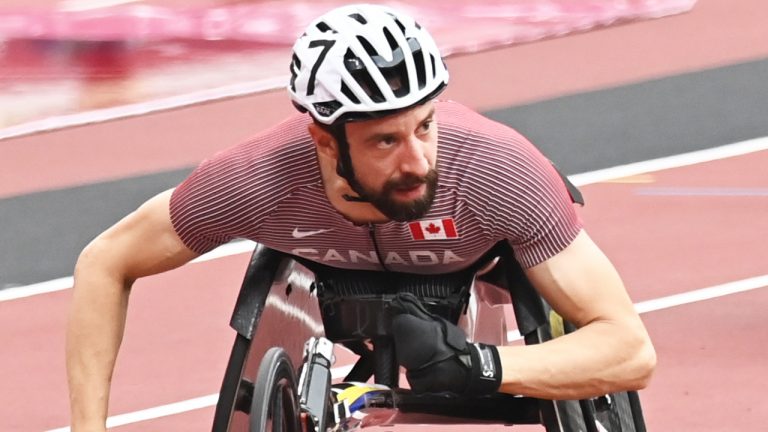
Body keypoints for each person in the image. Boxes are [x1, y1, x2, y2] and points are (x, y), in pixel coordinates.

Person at [66, 4, 656, 430]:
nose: (417, 160)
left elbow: (631, 351)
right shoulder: (255, 180)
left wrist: (481, 363)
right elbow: (105, 262)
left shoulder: (498, 172)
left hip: (477, 271)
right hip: (329, 281)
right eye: (384, 142)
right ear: (325, 139)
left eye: (424, 126)